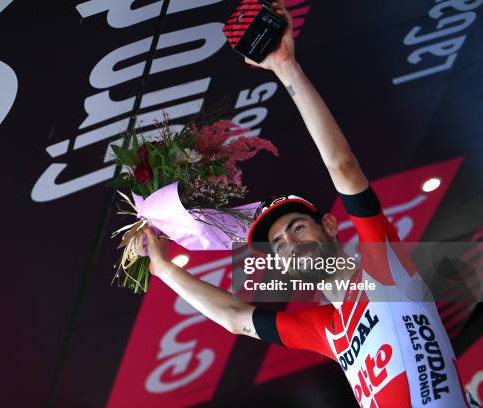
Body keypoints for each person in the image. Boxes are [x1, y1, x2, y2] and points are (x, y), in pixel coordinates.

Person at [142, 1, 480, 407]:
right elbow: (234, 318)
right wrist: (161, 269)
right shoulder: (327, 331)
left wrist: (286, 67)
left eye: (298, 227)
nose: (290, 242)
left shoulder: (382, 269)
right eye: (280, 243)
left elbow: (343, 166)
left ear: (332, 227)